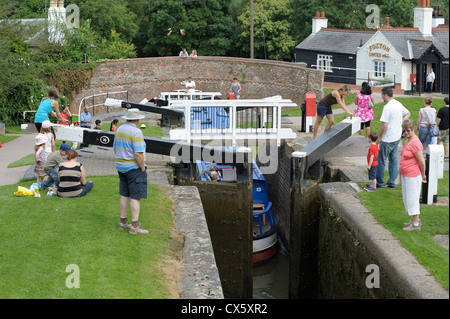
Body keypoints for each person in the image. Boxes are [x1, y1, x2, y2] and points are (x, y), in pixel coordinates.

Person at [113, 108, 149, 235]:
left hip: (120, 166)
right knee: (135, 196)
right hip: (133, 168)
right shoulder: (136, 132)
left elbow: (115, 149)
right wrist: (142, 168)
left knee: (124, 194)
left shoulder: (119, 129)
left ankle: (123, 222)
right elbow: (138, 154)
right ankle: (135, 225)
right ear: (138, 120)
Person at [376, 87, 411, 189]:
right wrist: (401, 122)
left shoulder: (387, 107)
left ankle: (380, 182)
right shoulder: (398, 103)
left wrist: (379, 137)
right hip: (396, 136)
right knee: (393, 160)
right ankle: (392, 182)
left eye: (382, 95)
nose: (381, 96)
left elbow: (384, 125)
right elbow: (408, 113)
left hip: (388, 138)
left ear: (386, 95)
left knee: (381, 160)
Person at [400, 119, 426, 231]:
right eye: (404, 131)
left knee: (413, 198)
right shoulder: (407, 140)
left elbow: (421, 162)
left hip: (413, 175)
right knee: (407, 198)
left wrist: (423, 175)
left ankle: (416, 224)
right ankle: (413, 219)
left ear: (413, 129)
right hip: (406, 174)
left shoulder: (416, 143)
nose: (406, 133)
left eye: (408, 131)